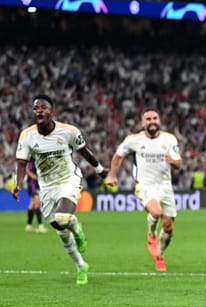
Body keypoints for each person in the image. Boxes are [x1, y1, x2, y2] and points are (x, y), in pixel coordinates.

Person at [11, 94, 108, 285]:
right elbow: (21, 163)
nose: (39, 110)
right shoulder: (27, 135)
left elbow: (84, 151)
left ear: (51, 111)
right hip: (46, 187)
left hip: (68, 180)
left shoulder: (68, 131)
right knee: (61, 232)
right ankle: (81, 266)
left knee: (63, 218)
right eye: (35, 108)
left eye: (43, 107)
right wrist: (18, 183)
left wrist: (99, 170)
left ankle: (77, 230)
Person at [106, 108, 182, 272]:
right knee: (156, 212)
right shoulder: (134, 140)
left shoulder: (169, 139)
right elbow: (118, 156)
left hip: (165, 186)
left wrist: (172, 161)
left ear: (159, 120)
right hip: (145, 185)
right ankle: (151, 235)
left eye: (155, 118)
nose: (152, 121)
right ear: (143, 122)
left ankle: (159, 256)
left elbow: (178, 164)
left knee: (168, 228)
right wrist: (112, 175)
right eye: (148, 119)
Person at [24, 159, 47, 233]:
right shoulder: (31, 160)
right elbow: (26, 168)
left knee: (32, 204)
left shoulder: (35, 159)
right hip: (32, 184)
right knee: (37, 203)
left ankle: (29, 225)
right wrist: (32, 176)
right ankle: (40, 225)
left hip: (35, 184)